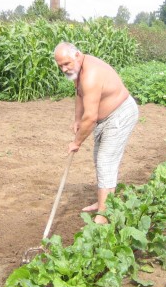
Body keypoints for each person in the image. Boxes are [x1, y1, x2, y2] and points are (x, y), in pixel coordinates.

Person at [53, 42, 138, 224]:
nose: (64, 69)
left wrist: (76, 142)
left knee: (105, 160)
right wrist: (77, 119)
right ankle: (103, 202)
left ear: (77, 55)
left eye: (66, 63)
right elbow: (79, 93)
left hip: (120, 114)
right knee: (99, 158)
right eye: (60, 66)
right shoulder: (78, 70)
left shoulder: (91, 74)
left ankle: (105, 214)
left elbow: (90, 118)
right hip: (105, 118)